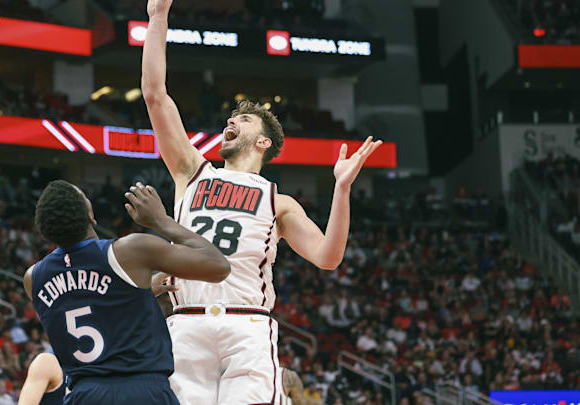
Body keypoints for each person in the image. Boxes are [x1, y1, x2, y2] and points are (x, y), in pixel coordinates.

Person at [141, 0, 383, 402]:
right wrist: (158, 17)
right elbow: (155, 95)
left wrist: (341, 190)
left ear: (263, 141)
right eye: (230, 119)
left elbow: (328, 256)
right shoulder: (191, 171)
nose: (230, 122)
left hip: (246, 325)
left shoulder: (279, 202)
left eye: (243, 120)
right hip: (185, 323)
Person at [23, 180, 230, 404]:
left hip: (84, 395)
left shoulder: (33, 278)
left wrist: (137, 291)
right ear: (90, 216)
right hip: (141, 390)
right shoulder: (129, 251)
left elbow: (82, 302)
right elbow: (218, 266)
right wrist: (160, 221)